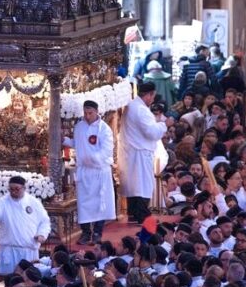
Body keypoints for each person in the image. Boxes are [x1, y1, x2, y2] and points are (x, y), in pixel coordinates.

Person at [119, 82, 173, 223]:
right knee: (142, 185)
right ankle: (142, 215)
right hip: (139, 152)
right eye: (152, 96)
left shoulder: (132, 106)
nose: (153, 99)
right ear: (149, 95)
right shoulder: (141, 110)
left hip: (132, 151)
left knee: (134, 184)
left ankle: (133, 212)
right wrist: (164, 124)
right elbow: (152, 132)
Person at [65, 100, 115, 245]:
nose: (87, 116)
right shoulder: (79, 127)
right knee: (84, 204)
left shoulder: (104, 129)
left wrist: (91, 158)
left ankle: (98, 232)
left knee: (100, 203)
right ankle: (86, 233)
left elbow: (106, 150)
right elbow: (77, 143)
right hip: (84, 171)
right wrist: (66, 141)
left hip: (99, 171)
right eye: (85, 113)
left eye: (90, 113)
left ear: (96, 111)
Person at [0, 175, 51, 274]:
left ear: (24, 188)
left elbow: (44, 221)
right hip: (9, 250)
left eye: (17, 189)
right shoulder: (3, 202)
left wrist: (42, 234)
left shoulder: (33, 202)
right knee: (9, 281)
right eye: (11, 189)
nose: (13, 192)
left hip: (29, 251)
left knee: (29, 282)